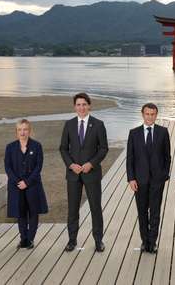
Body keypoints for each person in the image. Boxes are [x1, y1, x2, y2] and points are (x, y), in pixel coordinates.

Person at [60, 92, 108, 252]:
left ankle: (98, 241)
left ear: (89, 105)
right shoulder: (69, 124)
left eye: (84, 104)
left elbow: (103, 148)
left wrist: (91, 164)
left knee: (95, 207)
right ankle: (72, 240)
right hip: (73, 174)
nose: (81, 107)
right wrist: (71, 164)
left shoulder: (98, 124)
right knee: (72, 209)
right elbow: (63, 148)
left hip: (91, 173)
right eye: (78, 105)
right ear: (75, 107)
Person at [126, 103, 171, 254]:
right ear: (142, 114)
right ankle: (145, 241)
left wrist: (164, 175)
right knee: (142, 211)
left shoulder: (163, 132)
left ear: (156, 115)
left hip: (157, 180)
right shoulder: (134, 133)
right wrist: (131, 179)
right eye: (147, 114)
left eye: (153, 114)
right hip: (140, 180)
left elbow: (167, 156)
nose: (150, 117)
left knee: (155, 212)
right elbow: (130, 158)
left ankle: (153, 242)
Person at [4, 119, 48, 249]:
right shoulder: (10, 147)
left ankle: (30, 239)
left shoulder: (37, 146)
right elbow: (7, 167)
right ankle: (23, 239)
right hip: (16, 186)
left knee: (33, 212)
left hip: (33, 185)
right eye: (20, 130)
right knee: (20, 212)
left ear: (29, 131)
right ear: (16, 132)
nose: (22, 132)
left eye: (25, 129)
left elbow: (38, 167)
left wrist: (27, 182)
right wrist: (18, 182)